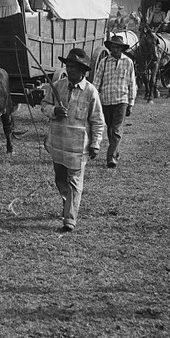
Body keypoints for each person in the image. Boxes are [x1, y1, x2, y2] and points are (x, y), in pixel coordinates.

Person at [40, 48, 105, 233]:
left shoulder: (91, 92)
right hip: (58, 145)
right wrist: (54, 111)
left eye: (74, 68)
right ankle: (67, 202)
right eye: (68, 66)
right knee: (60, 180)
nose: (70, 70)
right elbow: (44, 106)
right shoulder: (58, 86)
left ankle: (70, 220)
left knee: (74, 182)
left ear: (83, 71)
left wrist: (95, 144)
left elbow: (98, 121)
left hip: (78, 147)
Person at [92, 35, 137, 169]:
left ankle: (110, 157)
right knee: (110, 129)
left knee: (117, 128)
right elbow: (97, 81)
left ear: (122, 49)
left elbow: (131, 82)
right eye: (112, 47)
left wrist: (131, 102)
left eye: (117, 47)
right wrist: (94, 98)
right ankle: (115, 152)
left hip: (121, 100)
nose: (115, 49)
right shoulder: (104, 62)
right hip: (106, 100)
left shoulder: (128, 62)